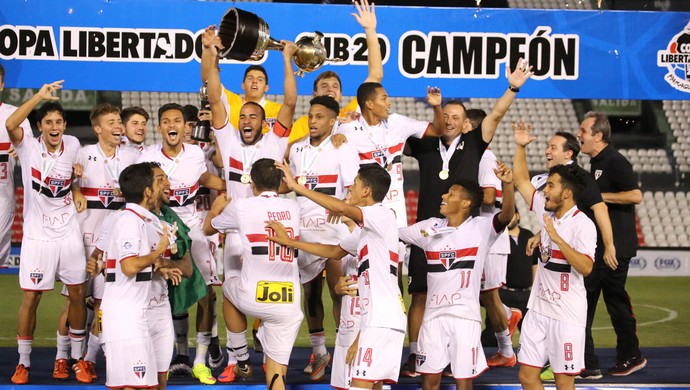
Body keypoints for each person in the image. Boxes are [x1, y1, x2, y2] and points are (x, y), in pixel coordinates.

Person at [401, 60, 534, 376]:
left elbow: (497, 115)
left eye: (456, 117)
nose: (449, 120)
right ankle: (417, 355)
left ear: (465, 125)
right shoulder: (425, 145)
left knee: (464, 298)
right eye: (445, 115)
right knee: (420, 294)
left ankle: (458, 357)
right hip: (427, 231)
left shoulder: (474, 144)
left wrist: (513, 87)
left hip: (464, 233)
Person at [202, 25, 298, 382]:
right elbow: (214, 96)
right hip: (234, 229)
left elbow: (289, 102)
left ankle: (270, 347)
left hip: (265, 229)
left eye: (252, 117)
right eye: (242, 116)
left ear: (263, 122)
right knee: (233, 294)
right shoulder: (226, 139)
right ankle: (239, 359)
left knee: (261, 296)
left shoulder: (274, 143)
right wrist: (210, 52)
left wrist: (287, 60)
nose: (245, 120)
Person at [267, 162, 406, 389]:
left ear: (366, 191)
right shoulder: (366, 231)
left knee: (359, 385)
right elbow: (334, 251)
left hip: (382, 317)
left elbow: (341, 209)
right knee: (374, 386)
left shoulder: (381, 215)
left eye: (356, 183)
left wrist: (295, 187)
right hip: (380, 317)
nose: (349, 188)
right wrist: (290, 242)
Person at [399, 163, 515, 390]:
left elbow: (507, 215)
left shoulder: (481, 228)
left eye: (451, 193)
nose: (443, 195)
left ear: (466, 203)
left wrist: (508, 185)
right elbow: (394, 235)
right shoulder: (429, 227)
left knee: (464, 382)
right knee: (429, 382)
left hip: (465, 318)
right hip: (432, 320)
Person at [6, 81, 91, 385]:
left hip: (68, 233)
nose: (54, 127)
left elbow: (74, 176)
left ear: (65, 126)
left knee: (78, 294)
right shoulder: (27, 145)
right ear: (39, 126)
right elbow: (11, 123)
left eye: (58, 122)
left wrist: (77, 185)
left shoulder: (73, 144)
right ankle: (23, 362)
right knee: (31, 297)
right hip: (37, 236)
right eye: (48, 122)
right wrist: (39, 97)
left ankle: (78, 359)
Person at [137, 103, 226, 384]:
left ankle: (200, 359)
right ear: (160, 127)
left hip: (194, 226)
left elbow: (206, 178)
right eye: (166, 121)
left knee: (206, 292)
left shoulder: (196, 154)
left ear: (184, 127)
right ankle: (174, 355)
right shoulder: (149, 155)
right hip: (159, 225)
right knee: (163, 293)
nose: (171, 125)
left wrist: (233, 184)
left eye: (177, 120)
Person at [203, 158, 302, 390]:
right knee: (277, 377)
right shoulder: (293, 208)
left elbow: (208, 229)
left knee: (229, 286)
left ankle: (242, 358)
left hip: (254, 296)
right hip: (288, 304)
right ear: (279, 183)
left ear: (252, 184)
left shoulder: (243, 206)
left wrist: (216, 208)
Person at [287, 95, 360, 380]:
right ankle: (319, 352)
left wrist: (341, 208)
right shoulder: (296, 150)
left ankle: (343, 349)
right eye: (311, 115)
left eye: (320, 117)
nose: (313, 120)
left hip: (335, 228)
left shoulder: (343, 145)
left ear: (333, 121)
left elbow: (353, 187)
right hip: (305, 227)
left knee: (339, 289)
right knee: (310, 293)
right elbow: (291, 185)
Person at [513, 152, 596, 390]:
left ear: (567, 193)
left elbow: (586, 267)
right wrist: (520, 146)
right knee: (527, 377)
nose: (545, 190)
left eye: (550, 185)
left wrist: (557, 239)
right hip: (537, 311)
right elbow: (521, 181)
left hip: (567, 316)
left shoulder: (583, 225)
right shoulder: (548, 213)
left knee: (563, 382)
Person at [74, 103, 140, 380]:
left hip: (114, 239)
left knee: (102, 301)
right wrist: (75, 185)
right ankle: (64, 356)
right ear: (97, 128)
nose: (118, 126)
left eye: (118, 121)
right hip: (83, 237)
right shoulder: (83, 153)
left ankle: (88, 358)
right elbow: (63, 176)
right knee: (74, 299)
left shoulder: (130, 156)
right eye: (111, 121)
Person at [577, 112, 645, 377]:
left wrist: (596, 196)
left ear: (598, 136)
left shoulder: (615, 161)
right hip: (602, 247)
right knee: (598, 300)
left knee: (608, 301)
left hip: (614, 247)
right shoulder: (595, 163)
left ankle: (625, 356)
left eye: (583, 130)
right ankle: (619, 356)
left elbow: (636, 195)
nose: (579, 134)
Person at [99, 162, 172, 389]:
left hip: (133, 316)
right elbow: (129, 267)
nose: (162, 187)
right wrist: (159, 251)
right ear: (147, 191)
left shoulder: (140, 220)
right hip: (125, 319)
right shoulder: (130, 221)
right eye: (157, 183)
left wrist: (160, 263)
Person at [289, 0, 382, 143]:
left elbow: (376, 75)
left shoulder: (350, 114)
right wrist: (327, 129)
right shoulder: (303, 122)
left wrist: (370, 30)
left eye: (335, 86)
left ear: (340, 95)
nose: (330, 89)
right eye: (324, 86)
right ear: (315, 94)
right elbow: (289, 152)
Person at [481, 209, 538, 345]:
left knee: (532, 337)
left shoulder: (528, 235)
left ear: (518, 216)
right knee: (492, 333)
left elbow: (534, 263)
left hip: (526, 295)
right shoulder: (497, 237)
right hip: (503, 294)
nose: (509, 218)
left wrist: (535, 291)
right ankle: (490, 359)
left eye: (512, 215)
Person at [0, 63, 31, 266]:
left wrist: (22, 151)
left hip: (2, 201)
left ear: (2, 85)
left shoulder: (15, 117)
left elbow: (34, 153)